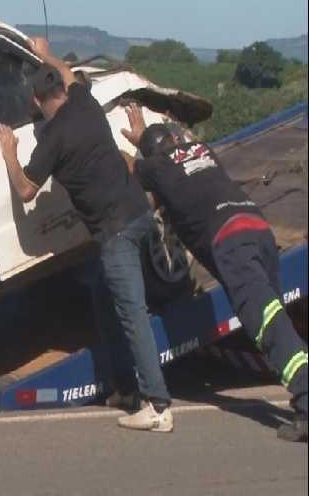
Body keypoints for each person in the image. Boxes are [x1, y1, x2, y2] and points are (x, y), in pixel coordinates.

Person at [0, 36, 174, 433]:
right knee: (102, 295)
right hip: (140, 214)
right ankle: (125, 387)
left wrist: (9, 152)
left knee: (133, 316)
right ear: (62, 91)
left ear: (39, 102)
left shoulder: (52, 139)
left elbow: (26, 189)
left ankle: (157, 405)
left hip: (116, 232)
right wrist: (44, 54)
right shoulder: (85, 104)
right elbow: (68, 73)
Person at [122, 104, 308, 442]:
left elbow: (131, 168)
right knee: (275, 320)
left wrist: (133, 147)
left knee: (268, 325)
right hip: (257, 227)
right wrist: (149, 137)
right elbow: (175, 144)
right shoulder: (202, 152)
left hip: (231, 241)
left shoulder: (158, 168)